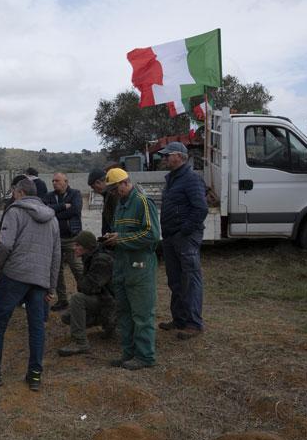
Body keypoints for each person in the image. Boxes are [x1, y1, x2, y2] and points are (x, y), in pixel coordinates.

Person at [0, 178, 60, 392]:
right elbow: (57, 254)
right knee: (37, 327)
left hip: (16, 275)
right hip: (39, 278)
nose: (12, 195)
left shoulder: (14, 211)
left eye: (13, 192)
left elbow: (5, 245)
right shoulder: (52, 218)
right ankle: (35, 375)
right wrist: (52, 286)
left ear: (19, 193)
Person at [102, 168, 160, 370]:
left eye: (116, 189)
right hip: (121, 267)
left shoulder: (143, 202)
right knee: (124, 313)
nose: (114, 194)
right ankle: (128, 354)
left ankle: (145, 357)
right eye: (112, 191)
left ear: (125, 183)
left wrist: (122, 239)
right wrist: (112, 238)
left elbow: (152, 235)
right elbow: (121, 234)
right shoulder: (120, 206)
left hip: (140, 267)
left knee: (142, 314)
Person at [156, 142, 208, 340]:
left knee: (191, 280)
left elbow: (200, 209)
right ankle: (179, 319)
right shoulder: (172, 179)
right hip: (171, 237)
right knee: (175, 280)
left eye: (167, 155)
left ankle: (194, 324)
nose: (164, 158)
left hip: (184, 237)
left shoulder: (191, 179)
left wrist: (184, 231)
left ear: (179, 156)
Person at [57, 231, 115, 356]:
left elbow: (88, 287)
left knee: (78, 299)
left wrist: (83, 284)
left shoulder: (101, 260)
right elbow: (87, 286)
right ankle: (109, 324)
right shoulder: (90, 256)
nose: (74, 248)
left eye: (78, 245)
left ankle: (81, 342)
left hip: (111, 303)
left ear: (87, 246)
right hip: (105, 299)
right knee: (68, 317)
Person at [43, 172, 83, 312]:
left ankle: (86, 296)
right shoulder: (48, 196)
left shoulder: (75, 194)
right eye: (53, 180)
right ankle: (62, 300)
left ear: (66, 181)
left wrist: (55, 212)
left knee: (77, 267)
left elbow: (75, 210)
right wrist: (62, 206)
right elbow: (45, 211)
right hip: (55, 239)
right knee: (57, 270)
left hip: (72, 238)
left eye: (57, 180)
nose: (54, 183)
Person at [87, 167, 119, 236]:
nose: (95, 191)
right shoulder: (107, 194)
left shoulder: (113, 195)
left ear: (98, 182)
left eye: (93, 187)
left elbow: (116, 221)